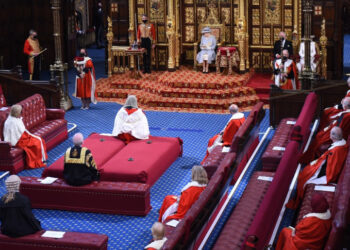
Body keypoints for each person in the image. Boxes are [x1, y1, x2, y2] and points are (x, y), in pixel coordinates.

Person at [287, 126, 348, 209]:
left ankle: (299, 201)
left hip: (326, 175)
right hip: (324, 168)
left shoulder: (336, 151)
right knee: (305, 172)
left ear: (332, 136)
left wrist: (314, 169)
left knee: (304, 177)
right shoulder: (342, 145)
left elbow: (331, 170)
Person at [300, 97, 350, 163]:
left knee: (319, 138)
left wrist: (327, 130)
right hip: (338, 129)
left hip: (340, 135)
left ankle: (311, 157)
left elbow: (339, 127)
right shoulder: (346, 114)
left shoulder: (346, 116)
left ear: (345, 106)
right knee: (320, 134)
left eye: (343, 104)